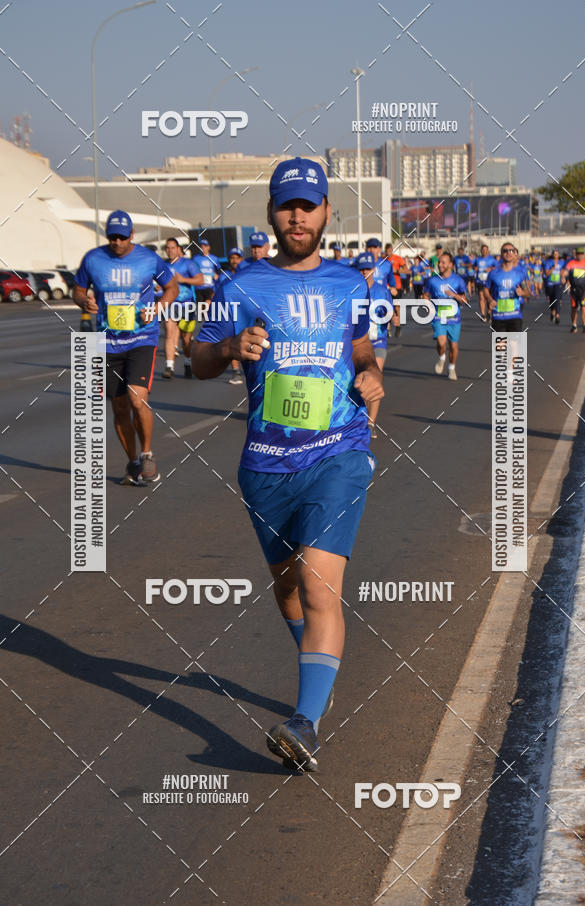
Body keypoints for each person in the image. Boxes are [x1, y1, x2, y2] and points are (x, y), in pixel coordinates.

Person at [192, 157, 383, 772]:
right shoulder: (240, 286)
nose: (297, 216)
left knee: (319, 583)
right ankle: (317, 678)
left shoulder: (353, 284)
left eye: (309, 205)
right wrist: (228, 347)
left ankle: (305, 721)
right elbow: (197, 361)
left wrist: (372, 375)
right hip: (266, 463)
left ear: (328, 211)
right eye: (286, 205)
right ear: (271, 213)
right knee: (287, 586)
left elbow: (361, 349)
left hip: (339, 451)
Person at [73, 210, 178, 485]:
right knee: (119, 407)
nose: (117, 241)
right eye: (112, 237)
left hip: (142, 338)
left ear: (131, 235)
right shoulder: (93, 259)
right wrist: (84, 302)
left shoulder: (148, 258)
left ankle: (146, 453)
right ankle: (132, 462)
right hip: (106, 342)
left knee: (136, 398)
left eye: (122, 236)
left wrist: (157, 308)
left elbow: (172, 288)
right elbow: (78, 290)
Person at [162, 238, 204, 379]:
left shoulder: (188, 264)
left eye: (172, 248)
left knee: (186, 339)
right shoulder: (163, 265)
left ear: (178, 249)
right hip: (170, 303)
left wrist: (184, 280)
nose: (170, 251)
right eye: (167, 248)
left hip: (187, 305)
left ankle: (187, 361)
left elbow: (201, 280)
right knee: (170, 331)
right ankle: (169, 367)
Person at [356, 251, 388, 436]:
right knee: (359, 383)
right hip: (357, 344)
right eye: (361, 269)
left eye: (368, 268)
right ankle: (359, 418)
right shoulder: (353, 290)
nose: (364, 272)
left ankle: (370, 422)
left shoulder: (382, 291)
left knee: (374, 377)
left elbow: (390, 313)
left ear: (374, 270)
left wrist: (392, 318)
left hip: (378, 342)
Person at [423, 251, 467, 380]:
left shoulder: (458, 280)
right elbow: (425, 295)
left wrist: (454, 295)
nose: (440, 265)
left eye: (443, 262)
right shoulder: (432, 281)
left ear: (451, 264)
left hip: (454, 318)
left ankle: (452, 367)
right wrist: (428, 305)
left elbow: (464, 300)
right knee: (441, 343)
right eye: (439, 262)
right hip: (438, 317)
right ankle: (442, 357)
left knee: (453, 346)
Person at [485, 243, 530, 332]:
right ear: (501, 254)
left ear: (514, 254)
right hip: (498, 315)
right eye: (505, 251)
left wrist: (522, 293)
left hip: (515, 315)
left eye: (511, 251)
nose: (508, 253)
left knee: (514, 345)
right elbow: (486, 289)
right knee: (500, 346)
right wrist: (490, 299)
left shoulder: (520, 274)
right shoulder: (493, 273)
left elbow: (527, 292)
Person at [219, 247, 245, 383]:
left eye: (237, 258)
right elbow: (217, 293)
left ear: (241, 259)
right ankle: (236, 372)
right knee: (231, 340)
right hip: (229, 312)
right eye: (232, 258)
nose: (234, 260)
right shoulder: (224, 275)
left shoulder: (247, 274)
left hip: (245, 312)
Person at [563, 247, 585, 333]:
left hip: (583, 290)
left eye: (581, 254)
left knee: (584, 307)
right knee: (574, 308)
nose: (580, 255)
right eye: (578, 254)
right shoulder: (571, 263)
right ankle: (574, 325)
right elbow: (566, 272)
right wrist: (563, 277)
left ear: (584, 254)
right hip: (573, 290)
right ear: (576, 254)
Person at [191, 238, 220, 308]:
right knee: (201, 309)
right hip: (199, 287)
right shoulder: (195, 259)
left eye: (205, 246)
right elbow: (192, 271)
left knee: (208, 306)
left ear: (209, 247)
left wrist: (216, 275)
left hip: (210, 287)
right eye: (201, 246)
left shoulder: (214, 258)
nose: (203, 248)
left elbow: (219, 271)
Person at [473, 244, 496, 320]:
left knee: (489, 297)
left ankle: (489, 312)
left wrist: (491, 268)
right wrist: (475, 268)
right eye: (483, 250)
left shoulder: (492, 259)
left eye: (486, 250)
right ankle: (482, 314)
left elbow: (498, 267)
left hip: (489, 281)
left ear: (488, 251)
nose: (484, 251)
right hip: (480, 280)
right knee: (481, 297)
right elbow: (474, 267)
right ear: (481, 251)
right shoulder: (478, 259)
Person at [543, 249, 566, 324]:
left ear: (558, 255)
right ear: (552, 255)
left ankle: (557, 316)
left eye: (557, 254)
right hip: (550, 284)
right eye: (554, 254)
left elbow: (564, 272)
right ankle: (552, 312)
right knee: (552, 300)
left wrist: (563, 277)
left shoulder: (562, 262)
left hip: (558, 284)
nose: (556, 255)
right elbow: (546, 274)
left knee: (557, 299)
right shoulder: (548, 262)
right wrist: (553, 268)